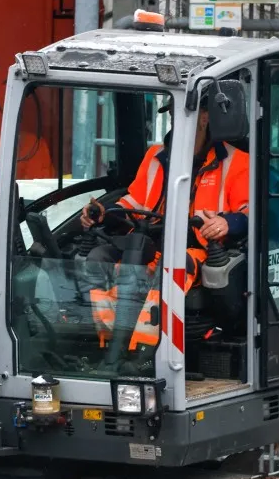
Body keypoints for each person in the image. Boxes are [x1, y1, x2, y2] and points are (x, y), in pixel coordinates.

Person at [80, 86, 250, 351]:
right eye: (172, 114)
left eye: (180, 114)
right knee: (98, 258)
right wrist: (104, 214)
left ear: (205, 117)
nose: (173, 120)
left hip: (197, 249)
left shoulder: (237, 161)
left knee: (170, 269)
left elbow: (248, 212)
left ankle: (148, 351)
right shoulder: (155, 157)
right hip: (150, 240)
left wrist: (226, 223)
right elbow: (133, 202)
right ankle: (109, 342)